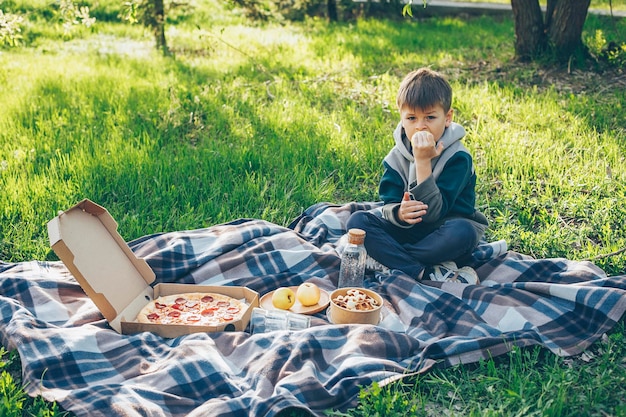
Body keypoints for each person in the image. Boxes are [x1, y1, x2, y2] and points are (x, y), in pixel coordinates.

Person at [345, 68, 488, 283]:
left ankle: (392, 259)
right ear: (402, 118)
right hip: (409, 231)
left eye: (430, 117)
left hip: (445, 231)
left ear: (447, 118)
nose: (420, 125)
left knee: (464, 232)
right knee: (357, 221)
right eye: (411, 118)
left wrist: (422, 161)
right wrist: (400, 214)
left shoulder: (458, 158)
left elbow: (433, 214)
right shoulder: (395, 158)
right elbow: (389, 203)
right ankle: (422, 271)